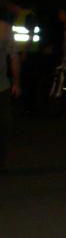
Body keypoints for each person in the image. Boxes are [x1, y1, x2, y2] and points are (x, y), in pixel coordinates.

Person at [0, 15, 18, 171]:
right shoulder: (5, 29)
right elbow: (13, 57)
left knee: (5, 125)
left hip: (2, 86)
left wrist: (16, 82)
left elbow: (13, 57)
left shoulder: (4, 29)